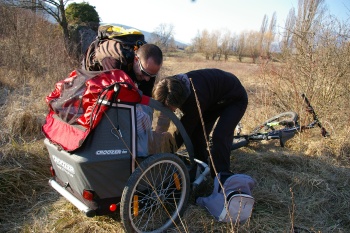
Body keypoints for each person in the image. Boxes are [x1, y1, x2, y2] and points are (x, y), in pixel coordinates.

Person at [152, 69, 248, 178]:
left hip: (234, 98)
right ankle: (201, 167)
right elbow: (165, 114)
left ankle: (221, 178)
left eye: (172, 108)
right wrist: (158, 139)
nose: (171, 111)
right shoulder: (168, 86)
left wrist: (166, 152)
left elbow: (184, 131)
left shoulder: (194, 99)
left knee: (220, 136)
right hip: (212, 99)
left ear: (181, 101)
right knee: (198, 135)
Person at [93, 42, 163, 97]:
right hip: (92, 73)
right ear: (136, 60)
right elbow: (113, 98)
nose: (147, 79)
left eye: (152, 76)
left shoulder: (148, 69)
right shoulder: (115, 62)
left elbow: (145, 97)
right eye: (144, 73)